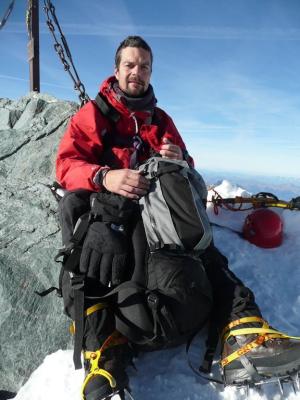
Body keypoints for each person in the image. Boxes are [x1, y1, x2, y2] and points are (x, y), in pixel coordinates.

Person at [55, 36, 300, 400]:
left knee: (203, 249)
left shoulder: (160, 118)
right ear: (117, 69)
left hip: (157, 210)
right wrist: (106, 176)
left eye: (144, 66)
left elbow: (187, 166)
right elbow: (66, 165)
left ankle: (242, 330)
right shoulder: (95, 115)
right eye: (130, 65)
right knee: (91, 260)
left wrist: (179, 156)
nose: (137, 72)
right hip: (111, 211)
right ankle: (105, 355)